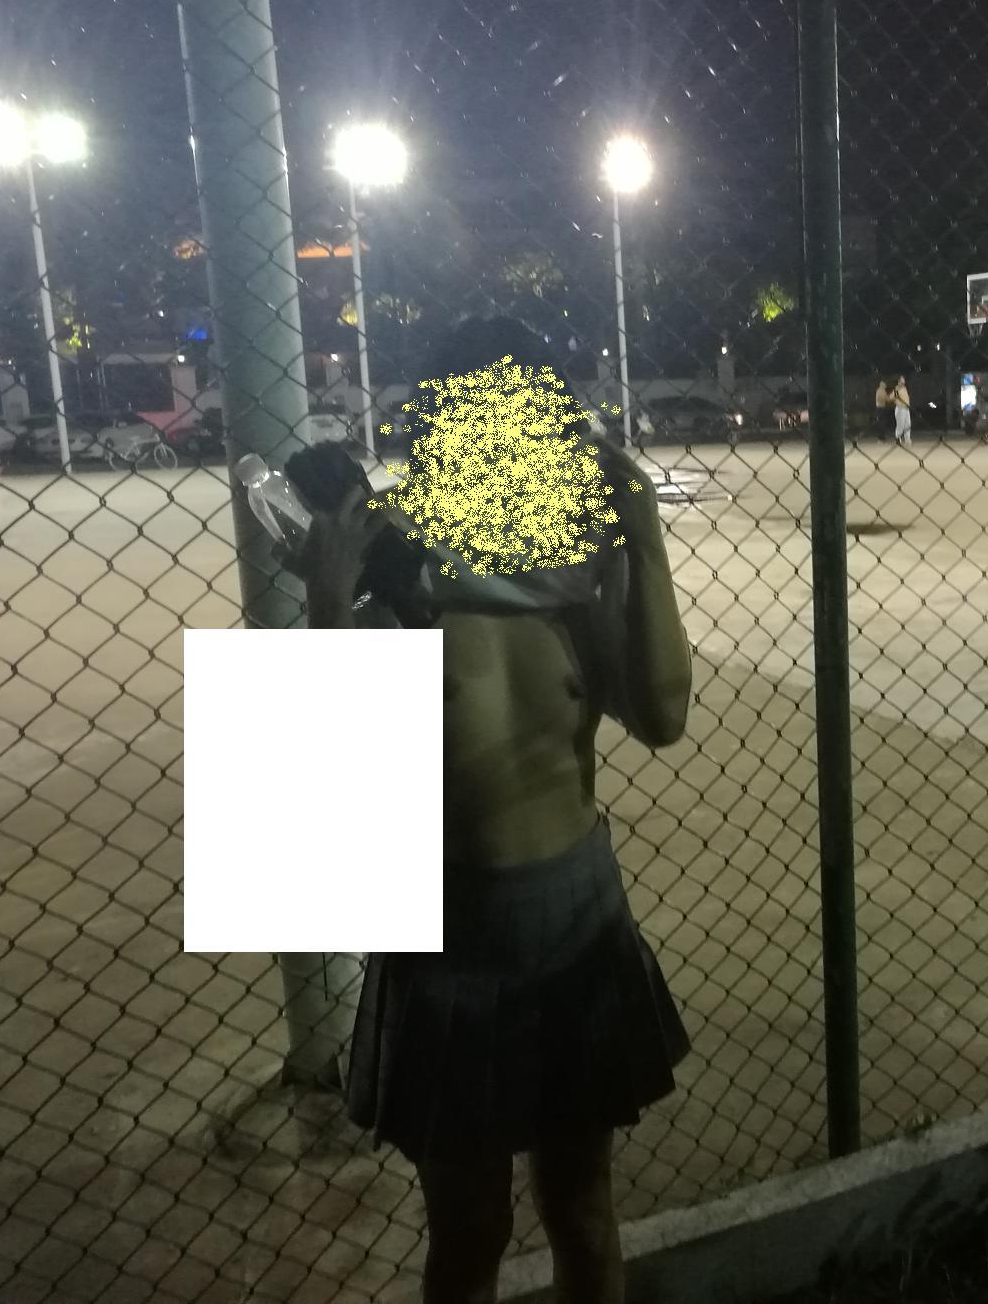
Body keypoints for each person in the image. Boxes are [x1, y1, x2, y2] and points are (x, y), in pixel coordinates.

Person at [292, 317, 695, 1304]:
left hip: (575, 909)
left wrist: (642, 536)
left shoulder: (574, 561)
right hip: (449, 930)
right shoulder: (392, 561)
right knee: (470, 1225)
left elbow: (662, 717)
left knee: (582, 1207)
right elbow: (313, 807)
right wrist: (326, 605)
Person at [891, 376, 912, 447]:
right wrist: (895, 395)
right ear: (899, 381)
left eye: (904, 380)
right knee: (900, 425)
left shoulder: (904, 388)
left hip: (906, 409)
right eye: (902, 380)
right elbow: (891, 397)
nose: (904, 381)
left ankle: (907, 440)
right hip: (900, 409)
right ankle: (898, 439)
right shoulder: (897, 388)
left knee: (908, 425)